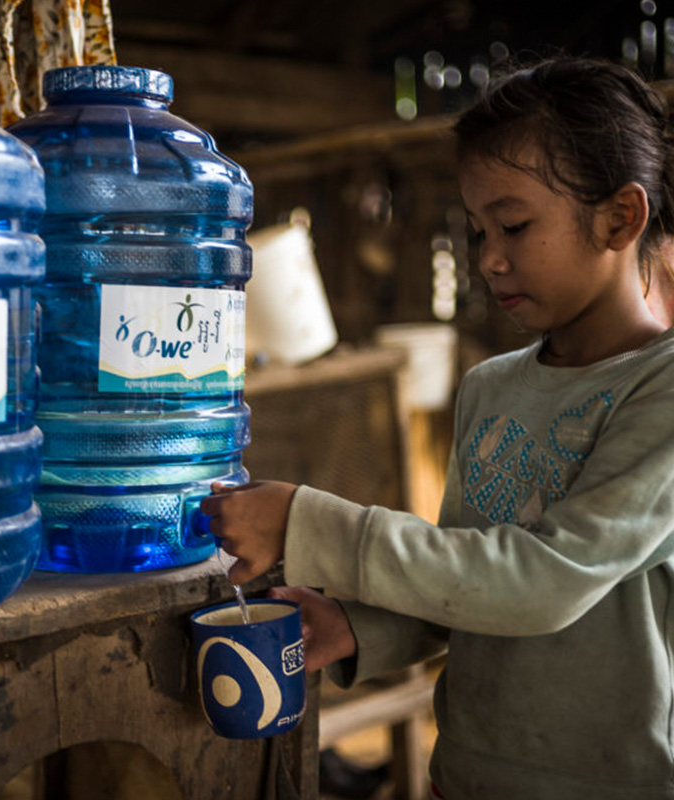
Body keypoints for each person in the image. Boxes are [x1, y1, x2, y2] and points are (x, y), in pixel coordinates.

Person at [201, 55, 674, 800]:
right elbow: (469, 582)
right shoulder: (491, 387)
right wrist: (361, 627)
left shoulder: (660, 390)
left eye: (515, 226)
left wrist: (309, 523)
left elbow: (543, 583)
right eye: (479, 228)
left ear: (622, 217)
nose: (489, 259)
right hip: (466, 776)